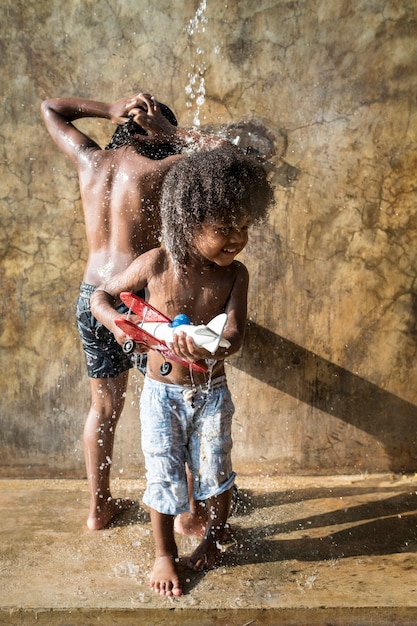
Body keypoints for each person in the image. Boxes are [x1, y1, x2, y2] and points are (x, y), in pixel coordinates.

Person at [90, 144, 274, 596]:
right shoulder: (155, 264)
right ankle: (165, 555)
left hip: (211, 391)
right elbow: (99, 298)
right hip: (161, 394)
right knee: (163, 473)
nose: (236, 238)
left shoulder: (235, 276)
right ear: (190, 223)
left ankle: (211, 539)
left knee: (215, 471)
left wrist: (212, 348)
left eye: (244, 227)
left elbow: (234, 335)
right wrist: (118, 324)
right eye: (224, 228)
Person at [41, 92, 226, 530]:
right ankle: (187, 513)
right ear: (156, 135)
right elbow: (227, 155)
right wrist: (174, 133)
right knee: (178, 400)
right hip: (138, 303)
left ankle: (98, 509)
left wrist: (107, 108)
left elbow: (51, 107)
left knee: (102, 409)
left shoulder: (90, 160)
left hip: (93, 296)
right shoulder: (166, 168)